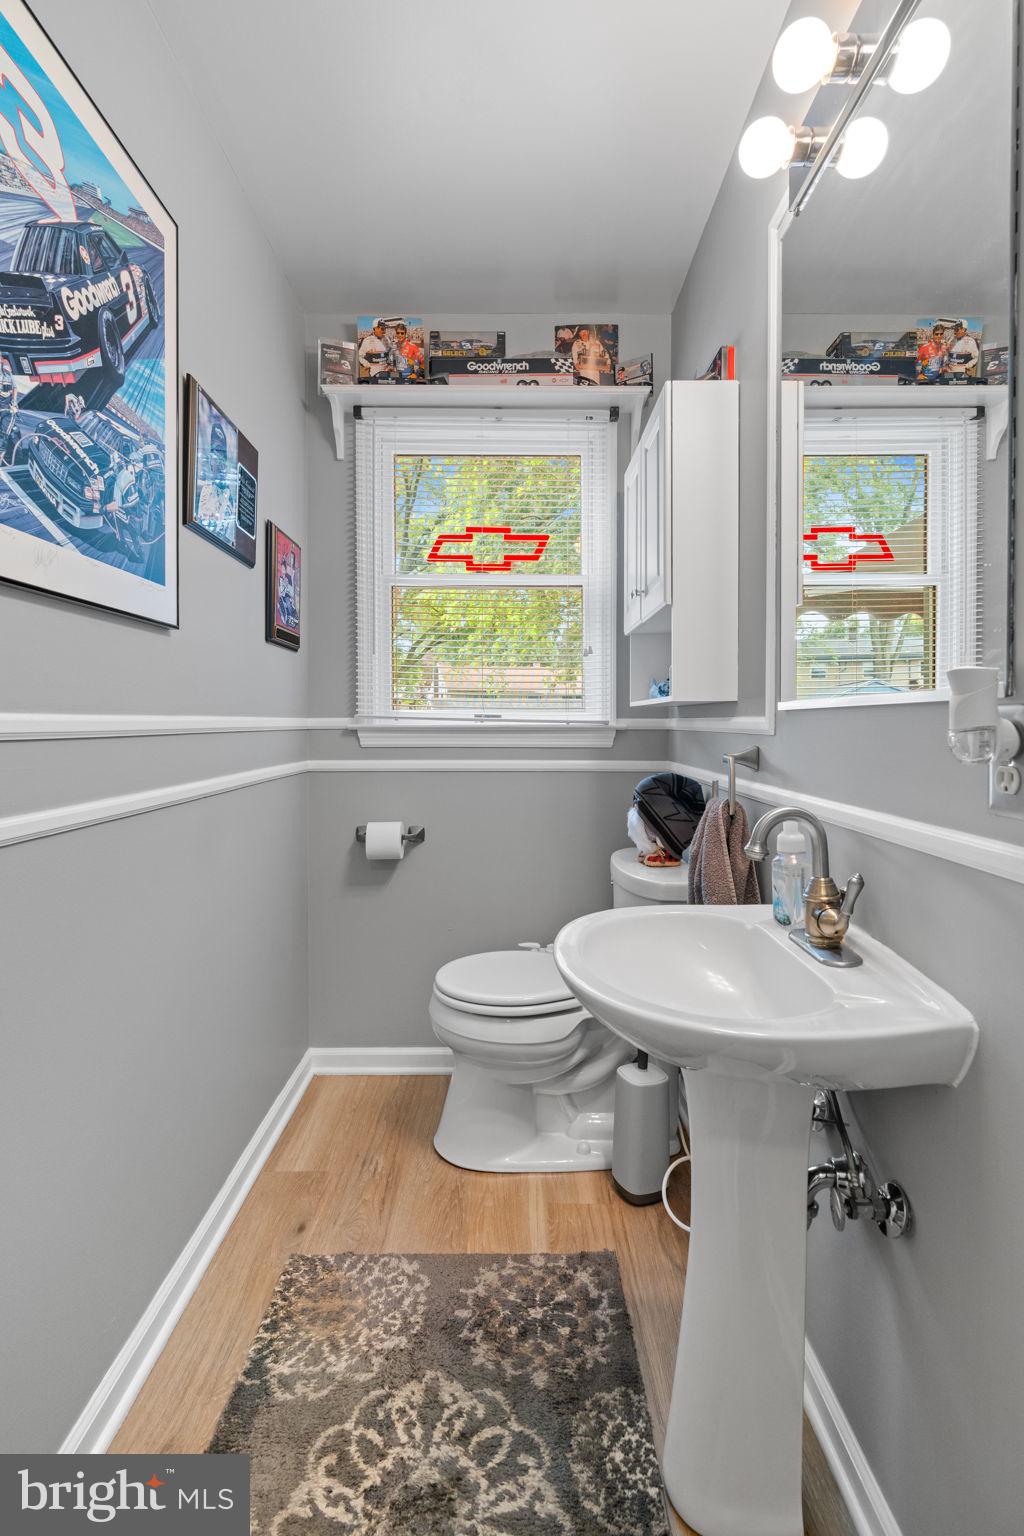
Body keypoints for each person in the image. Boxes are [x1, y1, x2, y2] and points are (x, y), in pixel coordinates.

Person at [197, 419, 235, 537]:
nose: (217, 462)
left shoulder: (229, 498)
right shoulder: (205, 490)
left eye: (221, 456)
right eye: (214, 455)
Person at [0, 357, 20, 464]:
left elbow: (15, 388)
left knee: (3, 437)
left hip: (7, 408)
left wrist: (14, 402)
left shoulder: (8, 374)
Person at [277, 548, 299, 628]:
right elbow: (281, 593)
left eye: (284, 568)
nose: (283, 570)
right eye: (282, 568)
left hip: (288, 597)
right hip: (284, 598)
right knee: (287, 600)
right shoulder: (280, 579)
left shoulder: (289, 577)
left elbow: (291, 591)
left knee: (289, 602)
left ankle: (292, 618)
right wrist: (285, 588)